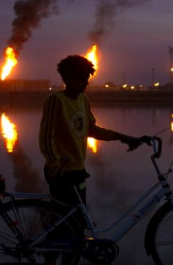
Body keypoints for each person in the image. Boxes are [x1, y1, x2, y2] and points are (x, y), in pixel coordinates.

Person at [39, 54, 146, 222]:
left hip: (78, 169)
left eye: (87, 79)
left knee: (79, 217)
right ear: (67, 78)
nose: (86, 83)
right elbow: (46, 136)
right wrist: (54, 163)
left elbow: (91, 129)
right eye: (81, 79)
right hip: (60, 170)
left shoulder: (83, 99)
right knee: (64, 220)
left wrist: (123, 137)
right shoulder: (56, 100)